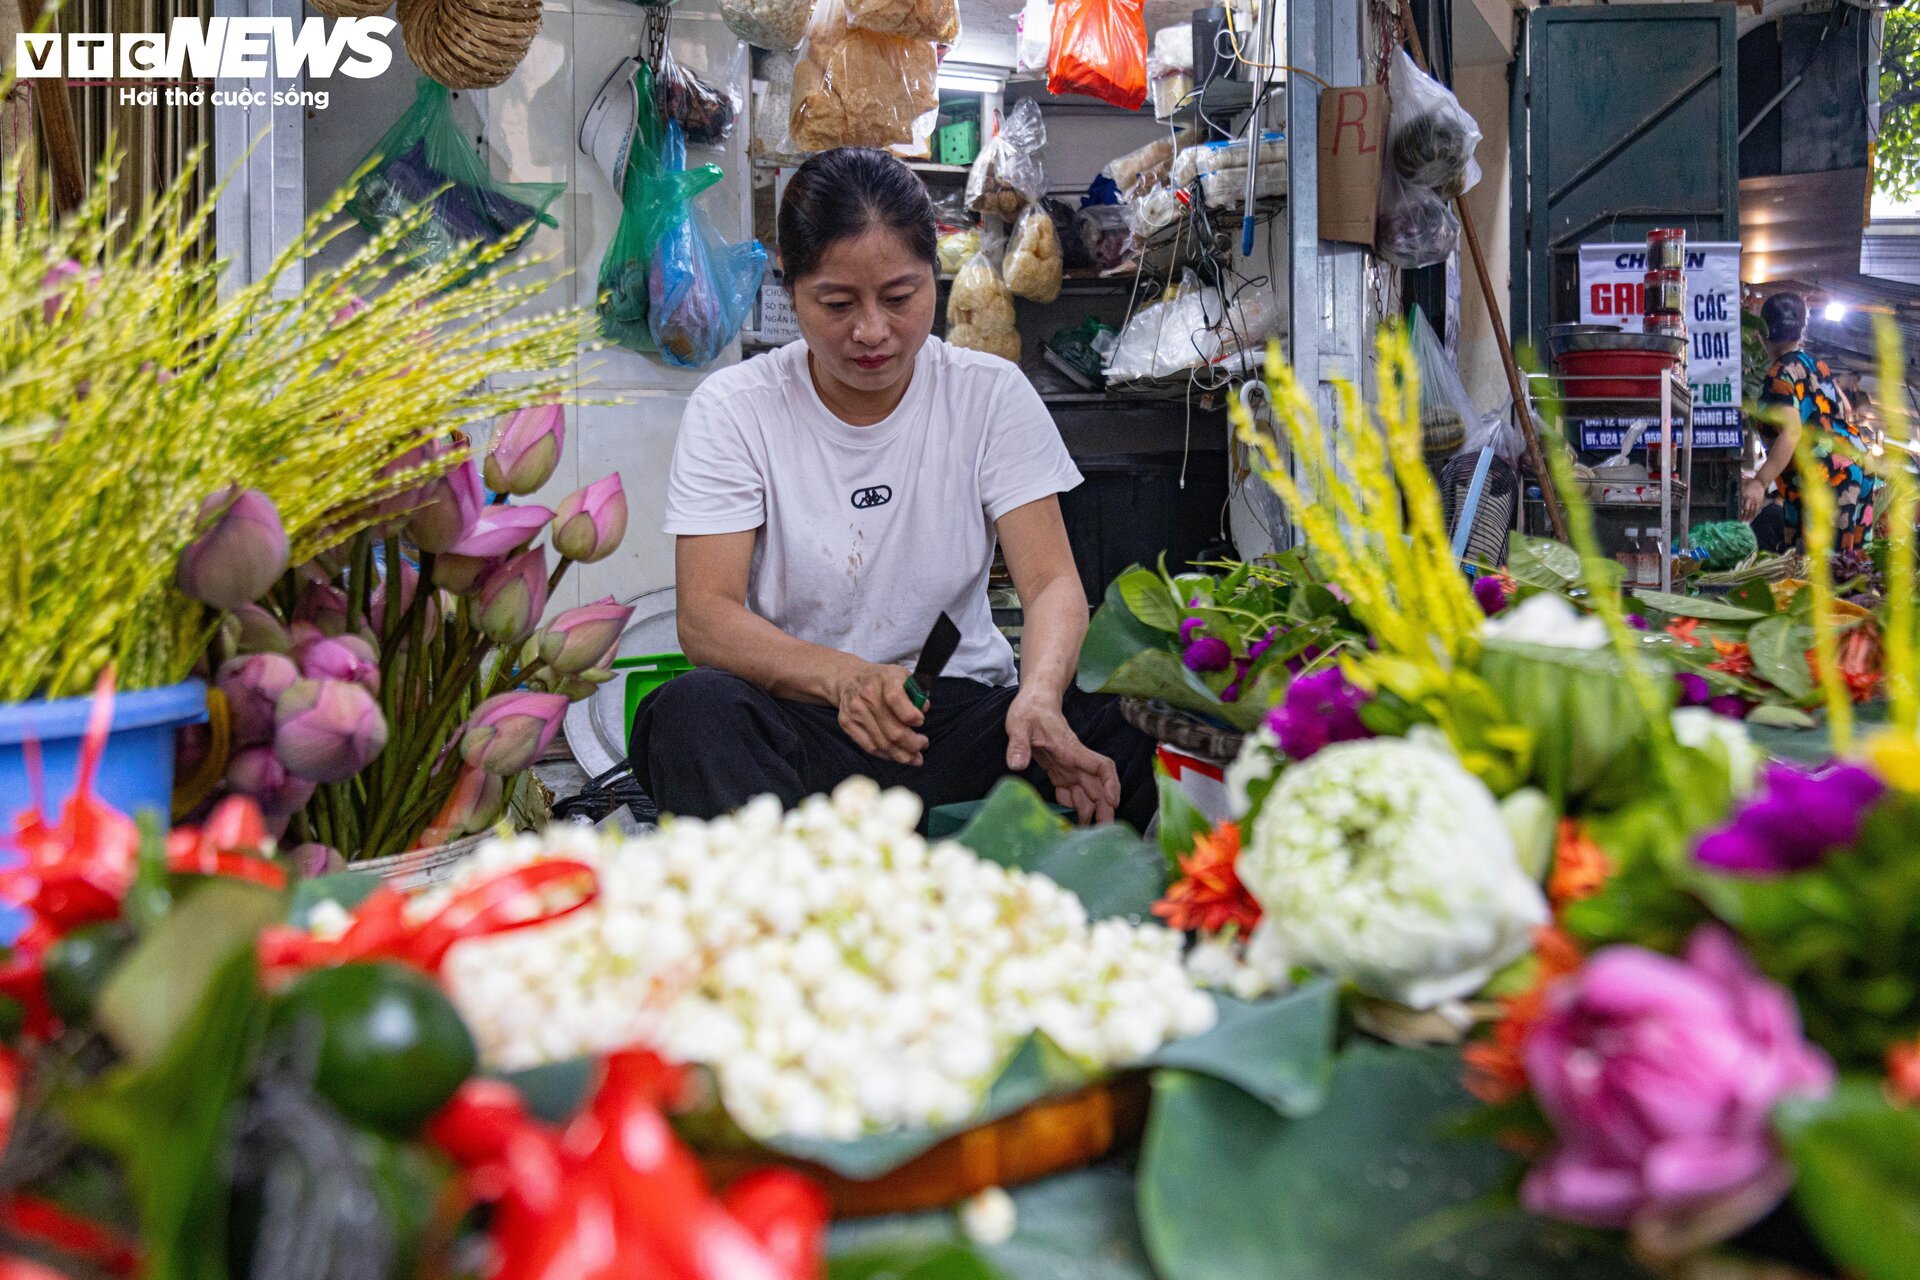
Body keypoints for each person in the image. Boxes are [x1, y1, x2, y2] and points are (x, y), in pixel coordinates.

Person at [631, 147, 1156, 830]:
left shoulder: (988, 394)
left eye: (900, 298)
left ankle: (1047, 905)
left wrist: (1041, 697)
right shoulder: (736, 407)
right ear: (791, 288)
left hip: (954, 717)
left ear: (932, 281)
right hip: (803, 723)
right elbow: (706, 617)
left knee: (1137, 712)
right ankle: (790, 916)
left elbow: (1053, 582)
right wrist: (845, 678)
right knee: (688, 714)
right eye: (838, 303)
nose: (872, 331)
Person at [1745, 292, 1878, 553]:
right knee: (1850, 566)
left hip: (1827, 477)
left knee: (1819, 569)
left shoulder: (1780, 375)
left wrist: (1760, 482)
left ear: (1762, 332)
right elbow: (1842, 412)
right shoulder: (1817, 366)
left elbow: (1791, 432)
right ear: (1802, 330)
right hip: (1854, 467)